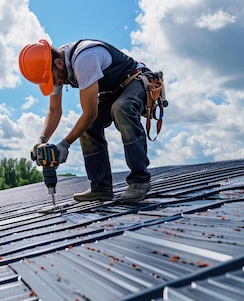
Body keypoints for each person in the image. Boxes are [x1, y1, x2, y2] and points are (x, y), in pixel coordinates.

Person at [19, 39, 153, 203]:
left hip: (135, 79)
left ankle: (140, 181)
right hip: (113, 90)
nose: (56, 84)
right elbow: (54, 110)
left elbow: (90, 113)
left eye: (54, 80)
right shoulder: (54, 68)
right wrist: (41, 140)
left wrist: (65, 144)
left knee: (122, 108)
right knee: (88, 127)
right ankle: (100, 187)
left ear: (59, 63)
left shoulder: (84, 58)